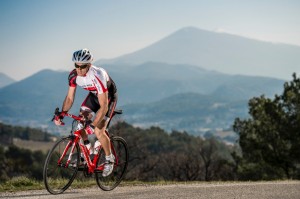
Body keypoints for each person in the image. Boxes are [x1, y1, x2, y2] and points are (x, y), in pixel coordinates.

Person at [54, 48, 117, 177]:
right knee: (79, 125)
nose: (79, 69)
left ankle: (110, 159)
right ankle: (85, 152)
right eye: (76, 65)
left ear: (89, 65)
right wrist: (62, 113)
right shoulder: (73, 75)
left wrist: (93, 125)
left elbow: (104, 106)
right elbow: (70, 98)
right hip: (93, 97)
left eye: (82, 66)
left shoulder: (98, 75)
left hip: (108, 99)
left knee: (99, 130)